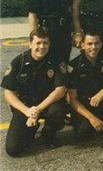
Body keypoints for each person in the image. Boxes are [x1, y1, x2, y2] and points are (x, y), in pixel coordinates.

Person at [2, 27, 66, 157]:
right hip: (25, 107)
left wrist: (37, 110)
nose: (42, 47)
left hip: (47, 105)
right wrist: (27, 111)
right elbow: (8, 93)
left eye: (45, 43)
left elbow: (60, 90)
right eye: (38, 43)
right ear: (30, 44)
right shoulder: (18, 62)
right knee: (13, 149)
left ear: (49, 44)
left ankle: (49, 133)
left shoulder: (55, 61)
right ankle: (32, 128)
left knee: (58, 110)